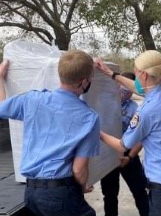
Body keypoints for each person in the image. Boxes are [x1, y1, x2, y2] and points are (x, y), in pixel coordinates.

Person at [0, 50, 100, 216]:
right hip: (60, 193)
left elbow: (1, 109)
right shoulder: (89, 118)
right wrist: (82, 186)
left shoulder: (31, 100)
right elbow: (79, 169)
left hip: (31, 193)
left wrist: (0, 79)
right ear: (83, 82)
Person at [95, 51, 161, 216]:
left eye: (136, 73)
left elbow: (122, 144)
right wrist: (112, 74)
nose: (135, 80)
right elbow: (139, 87)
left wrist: (96, 131)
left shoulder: (146, 111)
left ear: (144, 75)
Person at [100, 71, 150, 216]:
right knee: (109, 196)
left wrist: (129, 157)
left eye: (128, 89)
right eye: (122, 87)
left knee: (140, 191)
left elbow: (142, 137)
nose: (124, 92)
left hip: (129, 155)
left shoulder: (136, 109)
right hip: (109, 155)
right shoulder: (103, 105)